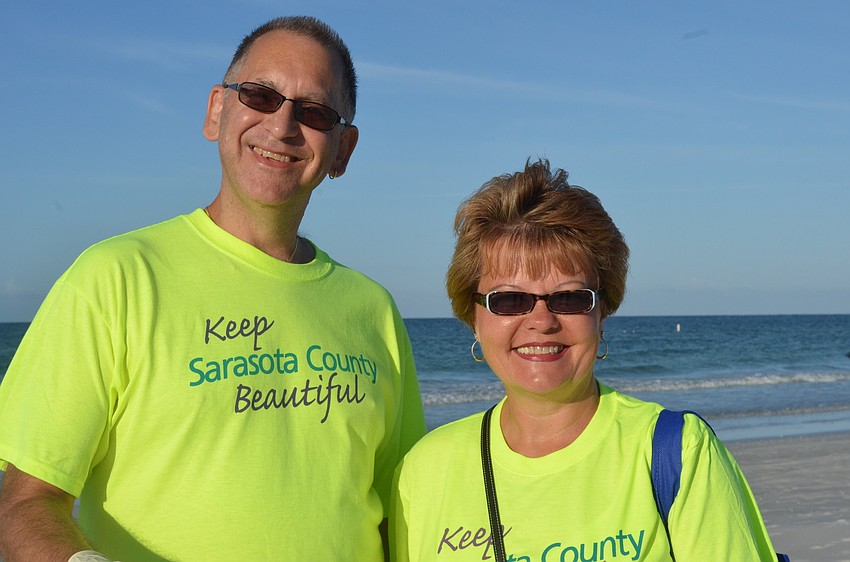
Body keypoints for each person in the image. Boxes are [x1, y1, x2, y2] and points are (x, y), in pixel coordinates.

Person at [0, 16, 425, 562]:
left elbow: (401, 512)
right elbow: (26, 504)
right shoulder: (115, 277)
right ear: (217, 112)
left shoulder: (374, 310)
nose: (283, 125)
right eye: (260, 95)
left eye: (315, 112)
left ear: (343, 150)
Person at [390, 159, 782, 561]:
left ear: (602, 312)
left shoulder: (676, 453)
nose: (541, 321)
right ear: (473, 317)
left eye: (570, 298)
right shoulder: (424, 471)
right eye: (509, 300)